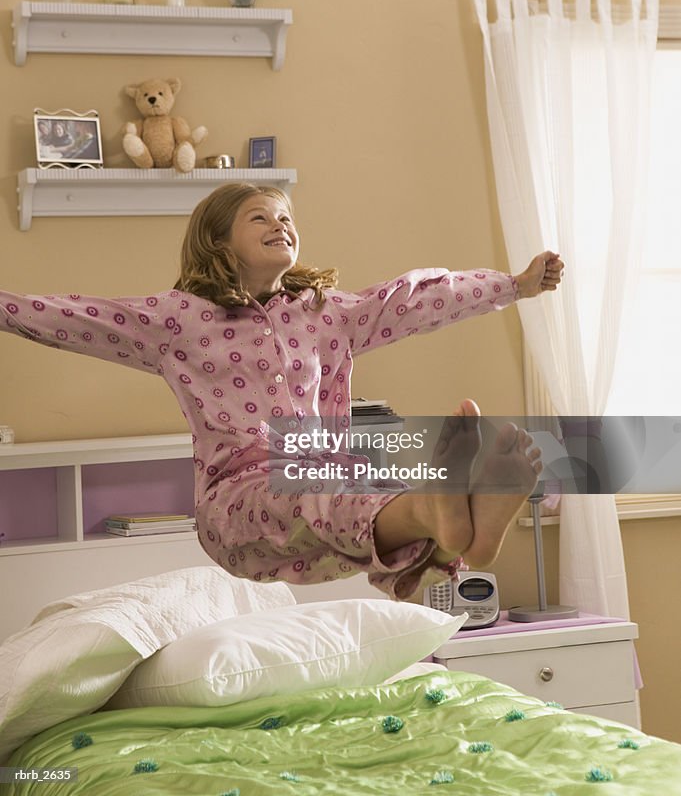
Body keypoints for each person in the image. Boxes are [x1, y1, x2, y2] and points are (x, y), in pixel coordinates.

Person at [0, 184, 563, 599]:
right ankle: (440, 511)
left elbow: (412, 301)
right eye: (260, 217)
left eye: (288, 217)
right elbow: (78, 318)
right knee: (314, 491)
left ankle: (457, 533)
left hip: (322, 473)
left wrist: (513, 286)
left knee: (349, 487)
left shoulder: (325, 315)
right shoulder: (179, 321)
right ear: (217, 240)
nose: (282, 224)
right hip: (236, 503)